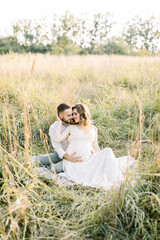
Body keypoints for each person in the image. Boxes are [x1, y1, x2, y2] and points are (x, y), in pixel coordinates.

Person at [54, 103, 135, 190]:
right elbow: (57, 139)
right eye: (72, 114)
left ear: (82, 114)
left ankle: (117, 182)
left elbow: (95, 146)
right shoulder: (71, 128)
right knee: (53, 167)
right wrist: (59, 123)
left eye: (75, 114)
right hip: (74, 163)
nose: (73, 116)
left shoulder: (93, 129)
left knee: (107, 151)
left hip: (88, 159)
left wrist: (100, 158)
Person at [32, 103, 82, 173]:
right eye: (68, 115)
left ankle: (50, 167)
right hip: (60, 155)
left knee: (57, 168)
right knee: (35, 160)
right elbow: (57, 147)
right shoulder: (54, 127)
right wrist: (67, 157)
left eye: (72, 114)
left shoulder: (74, 123)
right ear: (61, 116)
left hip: (73, 155)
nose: (71, 117)